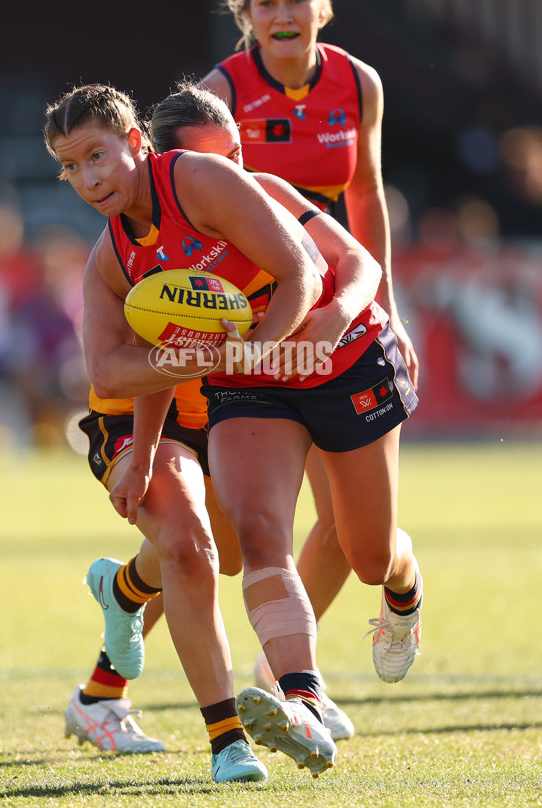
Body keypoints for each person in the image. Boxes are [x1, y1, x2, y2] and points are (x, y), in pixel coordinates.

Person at [44, 80, 418, 780]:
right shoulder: (119, 250)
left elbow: (341, 262)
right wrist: (152, 440)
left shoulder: (234, 187)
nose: (239, 175)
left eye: (239, 156)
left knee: (300, 553)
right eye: (72, 166)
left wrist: (344, 317)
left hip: (279, 374)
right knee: (211, 543)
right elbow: (129, 370)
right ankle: (263, 718)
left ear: (139, 149)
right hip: (210, 388)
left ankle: (120, 608)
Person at [200, 0, 420, 708]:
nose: (283, 14)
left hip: (346, 316)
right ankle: (291, 679)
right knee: (260, 527)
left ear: (323, 3)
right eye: (267, 3)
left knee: (364, 549)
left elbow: (365, 194)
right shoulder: (221, 93)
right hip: (267, 326)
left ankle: (401, 590)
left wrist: (385, 306)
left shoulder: (359, 82)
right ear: (247, 15)